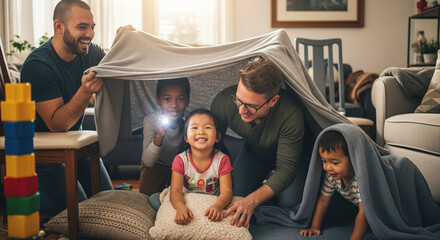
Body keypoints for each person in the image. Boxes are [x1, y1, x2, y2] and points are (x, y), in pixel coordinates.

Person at [20, 0, 112, 214]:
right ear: (59, 26)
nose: (89, 34)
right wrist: (85, 91)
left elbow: (119, 70)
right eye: (82, 27)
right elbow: (57, 125)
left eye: (92, 27)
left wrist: (128, 41)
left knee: (109, 205)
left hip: (76, 147)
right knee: (82, 215)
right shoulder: (38, 65)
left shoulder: (92, 52)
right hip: (42, 156)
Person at [210, 56, 304, 227]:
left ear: (273, 101)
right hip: (255, 151)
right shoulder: (223, 102)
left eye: (252, 105)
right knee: (234, 196)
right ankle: (264, 187)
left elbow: (287, 168)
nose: (241, 110)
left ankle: (267, 193)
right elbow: (212, 145)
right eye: (238, 100)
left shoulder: (291, 114)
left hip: (293, 158)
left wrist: (252, 201)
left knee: (290, 204)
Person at [299, 130, 368, 239]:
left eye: (335, 163)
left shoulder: (361, 179)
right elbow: (323, 200)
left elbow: (364, 211)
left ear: (354, 158)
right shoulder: (332, 175)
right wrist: (315, 226)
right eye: (324, 161)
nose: (328, 168)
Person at [170, 109, 233, 225]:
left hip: (211, 201)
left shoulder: (223, 160)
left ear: (218, 137)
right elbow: (175, 190)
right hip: (186, 199)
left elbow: (227, 191)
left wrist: (218, 206)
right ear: (186, 137)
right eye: (195, 128)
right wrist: (180, 208)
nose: (201, 132)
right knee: (155, 199)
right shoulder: (180, 160)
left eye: (208, 127)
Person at [139, 78, 190, 196]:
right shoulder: (151, 120)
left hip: (185, 166)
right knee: (146, 198)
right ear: (158, 100)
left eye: (180, 99)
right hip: (157, 164)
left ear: (188, 100)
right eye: (167, 99)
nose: (174, 105)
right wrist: (160, 135)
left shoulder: (191, 120)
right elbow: (148, 161)